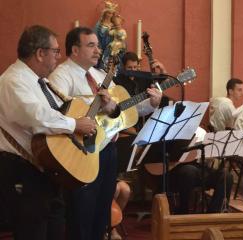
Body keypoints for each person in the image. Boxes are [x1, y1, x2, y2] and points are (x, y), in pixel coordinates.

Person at [48, 27, 162, 240]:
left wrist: (151, 104)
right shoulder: (61, 76)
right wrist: (96, 106)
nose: (98, 50)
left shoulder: (100, 75)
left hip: (108, 149)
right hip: (82, 152)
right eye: (91, 45)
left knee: (102, 212)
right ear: (74, 49)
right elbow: (55, 114)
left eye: (98, 46)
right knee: (82, 213)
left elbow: (122, 111)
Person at [0, 25, 96, 240]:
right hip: (21, 169)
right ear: (40, 53)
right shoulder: (13, 80)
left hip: (45, 168)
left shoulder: (40, 81)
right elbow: (37, 116)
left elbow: (64, 109)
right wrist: (74, 125)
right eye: (55, 51)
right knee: (32, 231)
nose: (58, 57)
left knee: (53, 227)